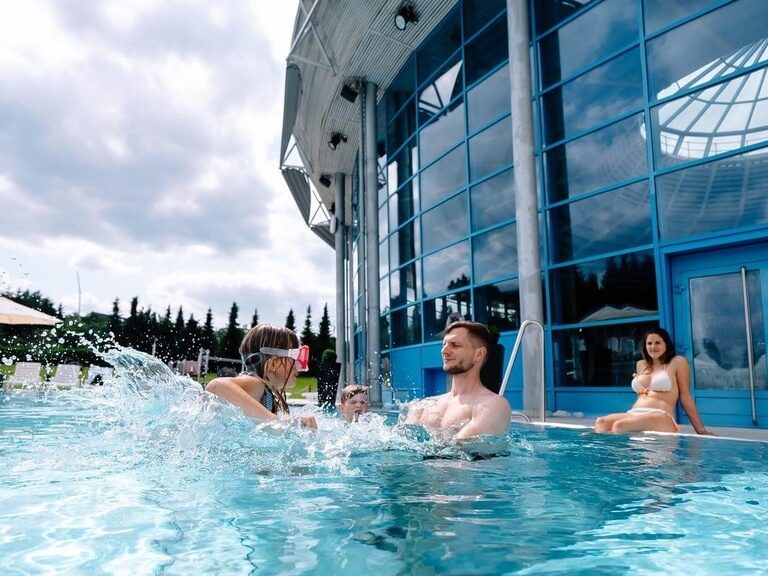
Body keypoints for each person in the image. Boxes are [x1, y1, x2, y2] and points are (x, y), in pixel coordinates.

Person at [404, 320, 512, 439]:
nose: (444, 351)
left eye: (455, 345)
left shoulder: (493, 405)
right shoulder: (425, 405)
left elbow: (460, 450)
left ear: (479, 354)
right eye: (444, 344)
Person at [594, 328, 711, 435]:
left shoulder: (677, 362)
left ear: (666, 345)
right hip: (635, 413)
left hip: (661, 415)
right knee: (601, 423)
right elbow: (644, 394)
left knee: (619, 425)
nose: (653, 346)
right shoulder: (641, 364)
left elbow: (685, 396)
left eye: (658, 342)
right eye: (649, 343)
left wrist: (700, 430)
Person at [206, 323, 317, 428]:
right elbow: (215, 386)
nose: (298, 365)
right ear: (273, 363)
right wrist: (275, 422)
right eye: (296, 357)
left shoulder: (266, 395)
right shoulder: (255, 384)